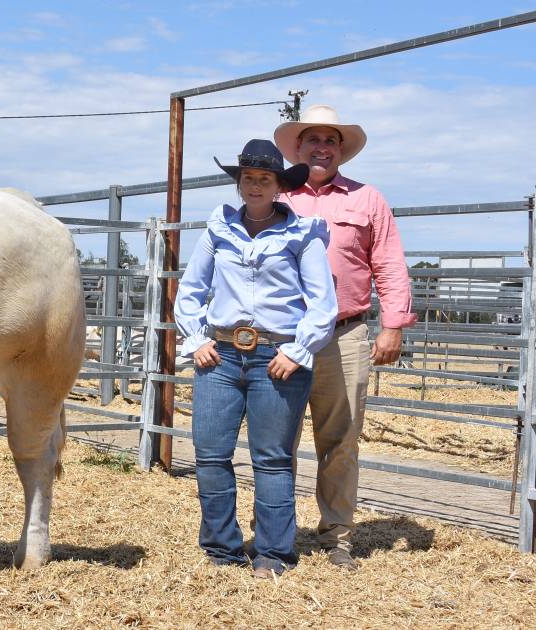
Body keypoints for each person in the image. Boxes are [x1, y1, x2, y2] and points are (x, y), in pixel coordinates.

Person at [176, 139, 338, 578]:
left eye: (264, 179)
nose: (255, 186)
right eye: (248, 178)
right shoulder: (219, 231)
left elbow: (323, 304)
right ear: (239, 183)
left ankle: (273, 553)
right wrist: (196, 339)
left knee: (271, 458)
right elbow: (190, 291)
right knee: (210, 453)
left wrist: (298, 349)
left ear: (279, 186)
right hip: (221, 355)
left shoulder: (303, 235)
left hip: (276, 357)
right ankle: (222, 548)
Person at [274, 105, 417, 570]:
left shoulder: (367, 199)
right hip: (284, 335)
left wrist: (392, 323)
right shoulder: (277, 197)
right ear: (297, 147)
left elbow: (389, 263)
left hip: (345, 332)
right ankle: (278, 535)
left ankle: (337, 535)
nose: (321, 147)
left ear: (342, 151)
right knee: (277, 438)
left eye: (330, 140)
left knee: (341, 439)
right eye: (312, 139)